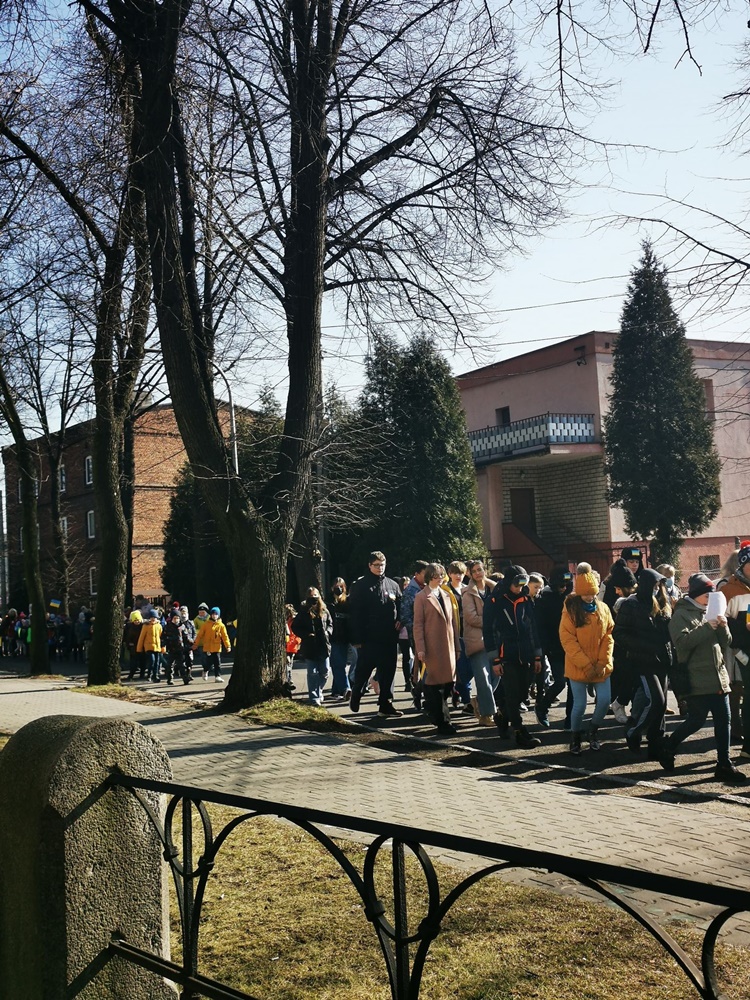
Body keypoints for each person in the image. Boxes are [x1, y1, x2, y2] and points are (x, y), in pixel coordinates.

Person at [661, 573, 746, 784]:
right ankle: (668, 746)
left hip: (718, 676)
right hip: (696, 676)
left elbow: (726, 643)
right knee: (696, 721)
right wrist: (708, 627)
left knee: (723, 721)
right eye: (707, 594)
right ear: (697, 595)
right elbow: (682, 644)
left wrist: (723, 625)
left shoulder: (711, 611)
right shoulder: (681, 614)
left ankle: (724, 765)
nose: (711, 597)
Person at [613, 568, 673, 757]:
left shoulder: (663, 603)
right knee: (656, 700)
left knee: (661, 705)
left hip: (661, 659)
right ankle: (634, 731)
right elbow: (619, 633)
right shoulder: (631, 605)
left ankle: (655, 741)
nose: (657, 589)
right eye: (655, 585)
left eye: (659, 586)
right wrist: (643, 646)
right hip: (643, 660)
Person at [482, 564, 543, 749]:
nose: (519, 588)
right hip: (505, 653)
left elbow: (532, 627)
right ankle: (519, 731)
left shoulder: (525, 598)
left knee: (522, 694)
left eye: (522, 584)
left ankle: (502, 716)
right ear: (509, 582)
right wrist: (495, 660)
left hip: (525, 652)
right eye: (516, 584)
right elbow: (489, 631)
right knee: (512, 693)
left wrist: (537, 655)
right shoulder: (494, 601)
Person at [559, 564, 614, 755]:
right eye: (587, 594)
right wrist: (586, 664)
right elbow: (568, 640)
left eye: (593, 593)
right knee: (580, 704)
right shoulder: (570, 610)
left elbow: (609, 636)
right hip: (578, 666)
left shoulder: (603, 608)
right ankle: (575, 736)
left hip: (600, 666)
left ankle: (594, 731)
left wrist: (601, 662)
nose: (591, 597)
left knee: (605, 700)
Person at [348, 551, 403, 717]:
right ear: (370, 565)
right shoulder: (361, 586)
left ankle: (386, 703)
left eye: (382, 565)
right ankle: (357, 691)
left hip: (389, 636)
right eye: (376, 565)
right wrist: (357, 638)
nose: (380, 568)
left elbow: (400, 606)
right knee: (364, 668)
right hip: (369, 636)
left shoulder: (393, 585)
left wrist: (400, 620)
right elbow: (355, 614)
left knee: (388, 671)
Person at [414, 562, 461, 735]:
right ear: (430, 577)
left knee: (448, 684)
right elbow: (418, 625)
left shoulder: (447, 595)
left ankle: (427, 701)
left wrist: (457, 646)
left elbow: (454, 624)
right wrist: (420, 648)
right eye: (437, 576)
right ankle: (443, 722)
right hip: (432, 647)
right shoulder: (421, 597)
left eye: (442, 575)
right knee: (436, 686)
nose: (441, 579)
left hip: (448, 647)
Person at [719, 541, 750, 760]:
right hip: (742, 653)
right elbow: (722, 625)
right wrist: (741, 653)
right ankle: (747, 745)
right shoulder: (728, 589)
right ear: (743, 564)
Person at [533, 566, 574, 729]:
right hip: (553, 646)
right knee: (560, 681)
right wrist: (544, 648)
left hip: (569, 645)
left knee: (573, 684)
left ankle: (570, 719)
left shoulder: (568, 597)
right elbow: (541, 625)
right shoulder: (546, 597)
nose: (563, 588)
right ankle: (542, 707)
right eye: (561, 585)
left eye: (566, 584)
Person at [462, 560, 497, 726]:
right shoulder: (467, 593)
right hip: (477, 641)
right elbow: (471, 618)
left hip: (495, 640)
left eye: (480, 570)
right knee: (483, 678)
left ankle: (478, 701)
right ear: (469, 574)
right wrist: (492, 621)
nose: (478, 573)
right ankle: (487, 715)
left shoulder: (495, 589)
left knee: (496, 676)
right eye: (474, 571)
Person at [607, 561, 638, 724]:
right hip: (623, 647)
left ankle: (632, 709)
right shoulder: (622, 603)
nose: (616, 592)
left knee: (632, 680)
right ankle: (620, 704)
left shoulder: (631, 602)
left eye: (618, 588)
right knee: (627, 679)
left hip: (629, 647)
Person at [292, 589, 332, 707]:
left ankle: (318, 691)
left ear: (319, 596)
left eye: (315, 595)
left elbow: (330, 624)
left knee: (325, 672)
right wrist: (306, 635)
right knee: (312, 673)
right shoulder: (303, 611)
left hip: (323, 645)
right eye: (311, 596)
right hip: (310, 646)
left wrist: (328, 633)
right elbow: (295, 626)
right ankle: (314, 698)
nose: (313, 597)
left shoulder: (325, 610)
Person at [328, 579, 355, 700]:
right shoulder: (328, 602)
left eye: (341, 586)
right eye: (336, 586)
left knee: (339, 664)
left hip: (345, 637)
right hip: (334, 638)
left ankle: (338, 690)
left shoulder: (348, 602)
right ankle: (344, 688)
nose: (338, 588)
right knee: (337, 664)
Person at [193, 607, 231, 682]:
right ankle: (205, 671)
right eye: (213, 614)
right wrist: (195, 644)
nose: (214, 616)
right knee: (208, 662)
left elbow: (225, 636)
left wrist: (228, 646)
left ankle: (217, 676)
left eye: (216, 614)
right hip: (208, 647)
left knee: (217, 662)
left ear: (219, 615)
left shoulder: (221, 625)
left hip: (217, 647)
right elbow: (200, 635)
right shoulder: (206, 624)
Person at [163, 610, 193, 685]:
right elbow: (163, 637)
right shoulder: (167, 627)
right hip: (171, 648)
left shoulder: (182, 627)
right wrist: (163, 645)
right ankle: (170, 679)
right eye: (174, 618)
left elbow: (186, 637)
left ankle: (185, 679)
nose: (176, 620)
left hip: (180, 649)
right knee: (169, 665)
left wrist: (191, 644)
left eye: (177, 618)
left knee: (182, 665)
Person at [137, 609, 163, 683]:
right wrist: (139, 648)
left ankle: (155, 675)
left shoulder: (159, 626)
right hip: (148, 647)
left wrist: (163, 647)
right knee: (152, 661)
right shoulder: (146, 626)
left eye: (154, 617)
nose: (153, 619)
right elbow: (141, 637)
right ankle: (149, 675)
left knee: (157, 662)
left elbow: (161, 637)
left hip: (157, 646)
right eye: (151, 617)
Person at [124, 610, 145, 679]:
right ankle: (131, 674)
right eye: (135, 620)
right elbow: (126, 636)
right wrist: (128, 643)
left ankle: (142, 674)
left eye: (138, 620)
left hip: (141, 645)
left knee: (142, 661)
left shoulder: (143, 626)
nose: (137, 622)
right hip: (133, 646)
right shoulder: (129, 626)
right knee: (133, 661)